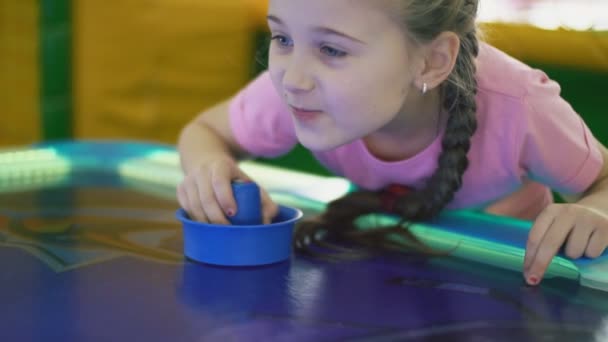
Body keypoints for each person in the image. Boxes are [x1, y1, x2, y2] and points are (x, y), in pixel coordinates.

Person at [176, 0, 608, 286]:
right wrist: (206, 169)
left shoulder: (520, 107)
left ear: (432, 61)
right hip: (372, 264)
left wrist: (593, 209)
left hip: (504, 278)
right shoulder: (295, 95)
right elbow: (205, 133)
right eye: (282, 38)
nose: (292, 78)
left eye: (332, 50)